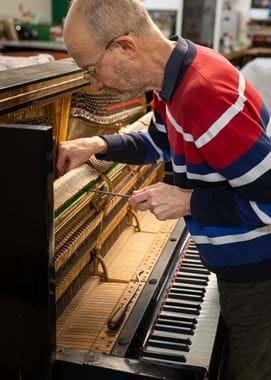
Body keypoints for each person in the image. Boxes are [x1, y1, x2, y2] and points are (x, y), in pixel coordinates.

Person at [57, 1, 271, 379]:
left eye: (92, 69)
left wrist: (188, 201)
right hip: (241, 265)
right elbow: (158, 143)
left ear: (125, 47)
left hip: (258, 276)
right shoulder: (175, 77)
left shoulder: (202, 95)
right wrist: (98, 145)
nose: (95, 85)